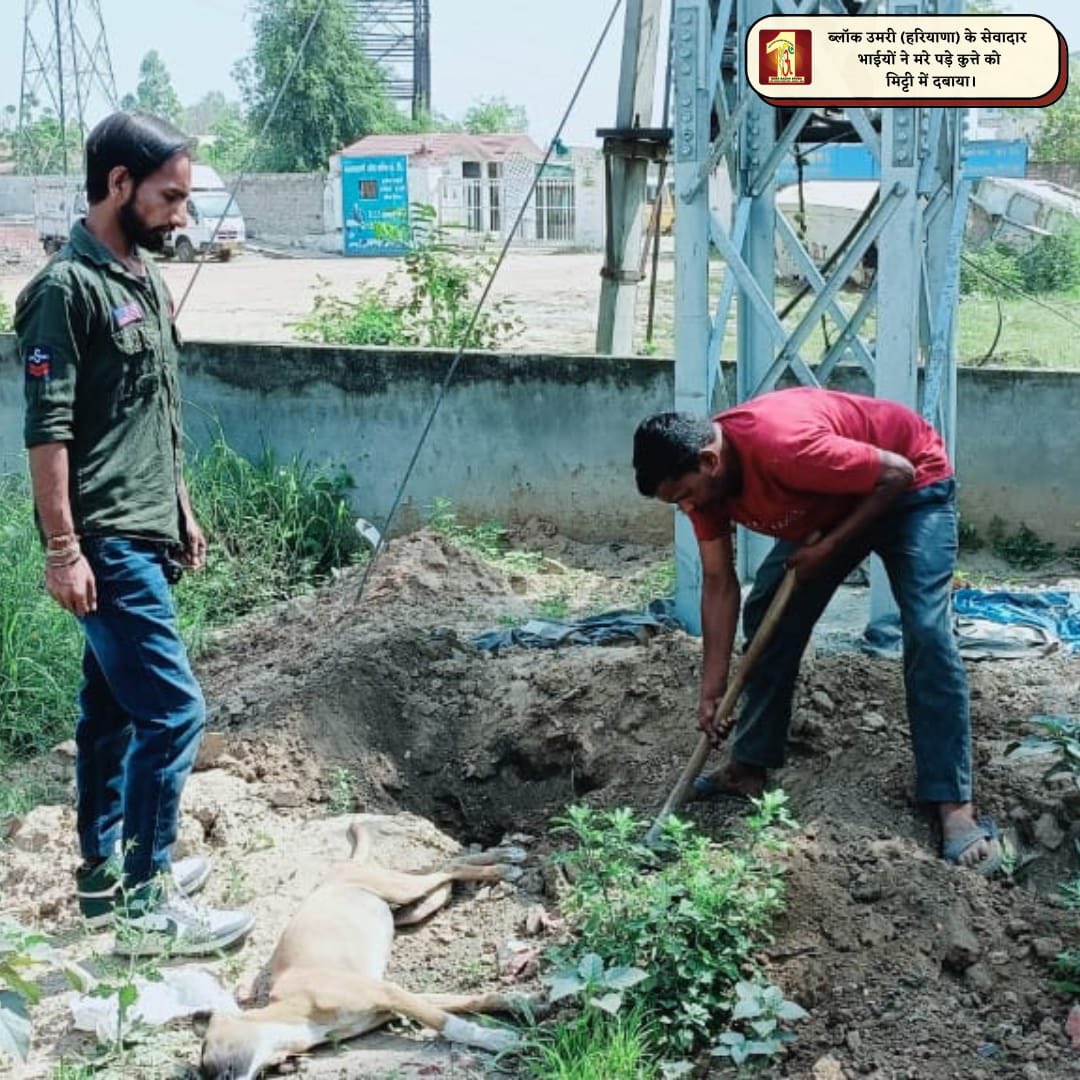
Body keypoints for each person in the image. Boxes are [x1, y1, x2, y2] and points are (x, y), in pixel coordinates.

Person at [16, 111, 255, 955]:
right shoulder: (64, 289)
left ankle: (101, 874)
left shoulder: (140, 276)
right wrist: (63, 549)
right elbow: (49, 431)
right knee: (175, 712)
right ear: (119, 184)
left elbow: (148, 410)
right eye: (171, 196)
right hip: (105, 539)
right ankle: (149, 902)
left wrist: (181, 507)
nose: (183, 213)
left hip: (145, 528)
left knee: (112, 714)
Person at [632, 386, 1000, 875]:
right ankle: (750, 767)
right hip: (833, 497)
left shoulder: (784, 445)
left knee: (928, 632)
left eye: (683, 496)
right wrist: (712, 687)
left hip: (912, 488)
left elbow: (897, 474)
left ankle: (954, 806)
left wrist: (830, 550)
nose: (685, 508)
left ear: (708, 461)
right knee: (769, 614)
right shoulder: (705, 489)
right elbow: (719, 584)